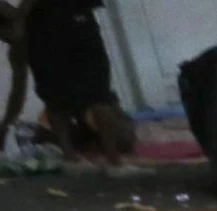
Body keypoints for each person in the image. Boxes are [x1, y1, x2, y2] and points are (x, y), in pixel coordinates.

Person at [14, 0, 134, 160]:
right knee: (95, 95)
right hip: (68, 24)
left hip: (54, 27)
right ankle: (112, 161)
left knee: (63, 97)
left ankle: (75, 157)